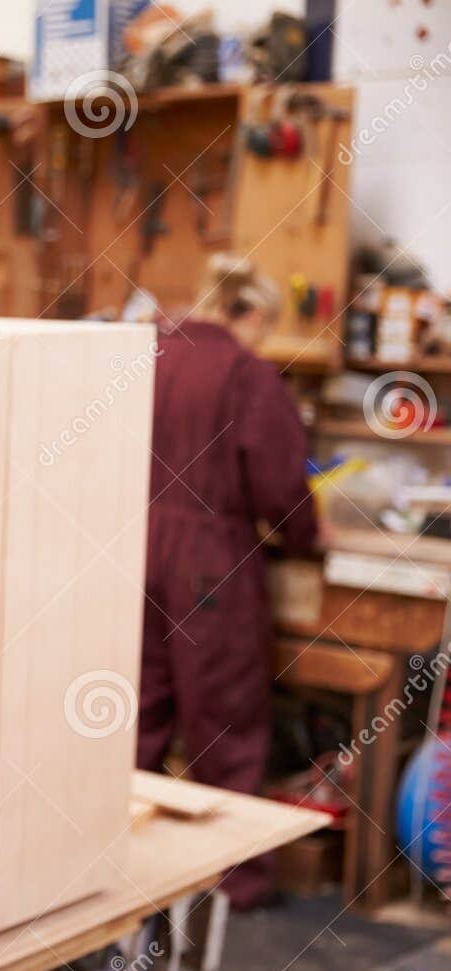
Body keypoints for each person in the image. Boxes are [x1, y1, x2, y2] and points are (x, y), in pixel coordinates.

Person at [137, 253, 319, 908]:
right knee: (225, 719)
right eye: (266, 328)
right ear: (250, 313)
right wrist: (305, 539)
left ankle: (132, 869)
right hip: (210, 560)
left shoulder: (151, 352)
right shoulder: (245, 373)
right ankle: (234, 882)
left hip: (136, 550)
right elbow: (280, 485)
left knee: (139, 716)